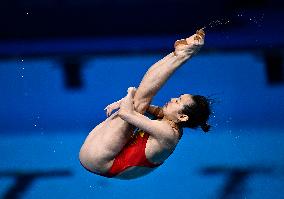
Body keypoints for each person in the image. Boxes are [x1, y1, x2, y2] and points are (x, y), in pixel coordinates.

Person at [79, 29, 212, 179]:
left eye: (178, 101)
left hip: (102, 162)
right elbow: (145, 103)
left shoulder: (167, 134)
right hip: (104, 161)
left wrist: (130, 93)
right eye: (178, 97)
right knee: (141, 102)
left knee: (139, 103)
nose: (174, 99)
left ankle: (183, 54)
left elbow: (126, 113)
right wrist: (129, 99)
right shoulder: (172, 122)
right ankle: (178, 54)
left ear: (182, 116)